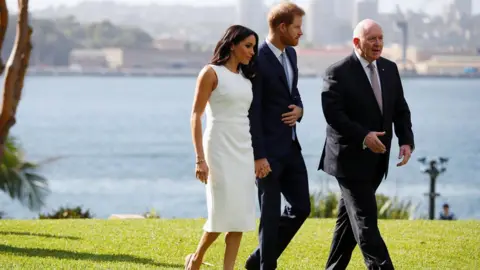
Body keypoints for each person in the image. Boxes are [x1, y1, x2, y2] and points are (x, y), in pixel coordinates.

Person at [318, 19, 415, 270]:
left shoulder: (390, 69)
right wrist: (364, 136)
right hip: (348, 160)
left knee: (347, 225)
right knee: (365, 222)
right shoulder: (337, 71)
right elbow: (334, 115)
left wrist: (406, 141)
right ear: (356, 42)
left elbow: (400, 110)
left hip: (377, 161)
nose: (378, 43)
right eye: (372, 38)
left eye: (380, 38)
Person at [187, 25, 259, 270]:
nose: (252, 51)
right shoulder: (210, 73)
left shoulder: (246, 78)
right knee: (220, 214)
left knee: (239, 216)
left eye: (254, 47)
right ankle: (196, 259)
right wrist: (199, 159)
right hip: (218, 146)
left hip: (243, 148)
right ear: (232, 45)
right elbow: (196, 115)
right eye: (248, 46)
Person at [246, 3, 310, 270]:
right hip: (268, 153)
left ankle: (256, 260)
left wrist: (300, 109)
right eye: (297, 27)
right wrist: (259, 156)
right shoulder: (257, 60)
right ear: (282, 27)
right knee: (270, 216)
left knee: (302, 208)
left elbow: (292, 92)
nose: (301, 33)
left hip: (291, 147)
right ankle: (265, 266)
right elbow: (253, 111)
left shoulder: (292, 54)